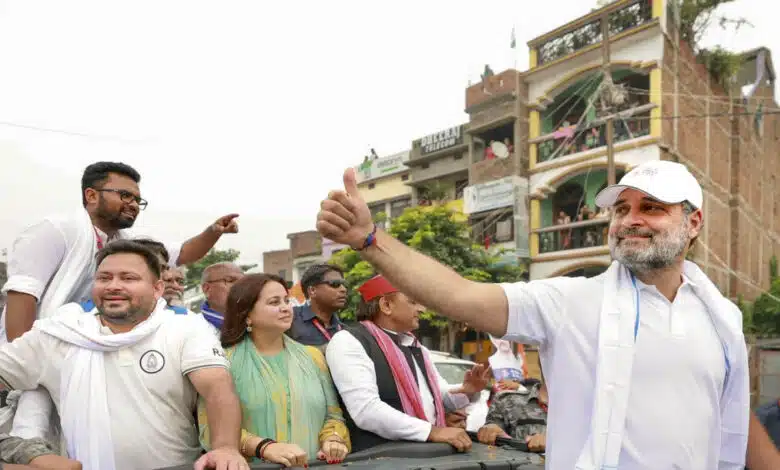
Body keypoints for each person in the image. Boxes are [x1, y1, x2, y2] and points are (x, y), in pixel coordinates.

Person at [315, 161, 750, 469]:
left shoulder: (722, 318)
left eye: (651, 207)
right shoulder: (570, 302)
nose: (629, 220)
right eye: (621, 209)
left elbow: (733, 426)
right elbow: (458, 295)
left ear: (692, 223)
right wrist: (369, 239)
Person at [0, 240, 247, 470]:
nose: (114, 285)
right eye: (104, 277)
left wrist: (225, 448)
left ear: (158, 288)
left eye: (128, 278)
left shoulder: (185, 329)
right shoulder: (59, 334)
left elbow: (218, 389)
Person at [326, 275, 490, 453]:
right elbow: (366, 411)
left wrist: (467, 390)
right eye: (412, 301)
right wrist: (432, 431)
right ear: (386, 306)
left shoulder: (415, 347)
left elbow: (436, 398)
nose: (421, 309)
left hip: (423, 456)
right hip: (378, 459)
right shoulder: (349, 341)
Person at [199, 273, 350, 468]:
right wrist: (264, 447)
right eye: (274, 302)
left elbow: (333, 415)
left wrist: (333, 440)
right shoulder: (221, 363)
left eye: (287, 300)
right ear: (247, 315)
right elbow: (209, 429)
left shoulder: (313, 357)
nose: (286, 308)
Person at [287, 264, 347, 349]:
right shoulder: (289, 319)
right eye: (335, 284)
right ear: (312, 290)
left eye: (343, 284)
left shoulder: (343, 330)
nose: (343, 289)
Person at [199, 262, 245, 336]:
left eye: (243, 282)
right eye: (230, 281)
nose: (240, 286)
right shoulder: (191, 328)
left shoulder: (255, 323)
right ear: (207, 289)